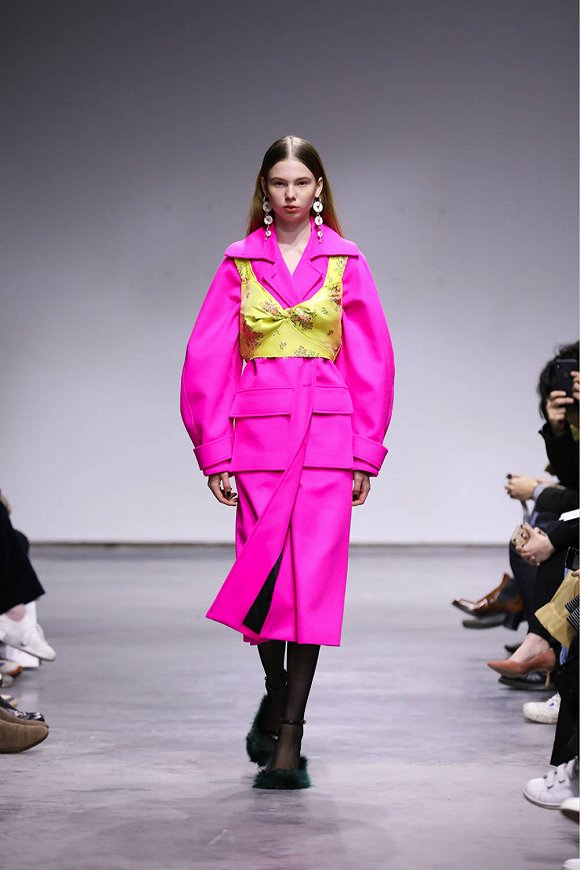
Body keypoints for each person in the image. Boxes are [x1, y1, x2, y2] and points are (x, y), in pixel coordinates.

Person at [180, 136, 395, 789]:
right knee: (267, 584)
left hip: (327, 438)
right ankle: (275, 697)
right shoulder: (240, 262)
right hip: (261, 441)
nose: (292, 194)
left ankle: (290, 737)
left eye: (302, 182)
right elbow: (207, 359)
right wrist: (214, 450)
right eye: (280, 183)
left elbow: (372, 361)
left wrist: (365, 451)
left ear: (319, 188)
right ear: (265, 190)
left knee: (313, 588)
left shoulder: (347, 261)